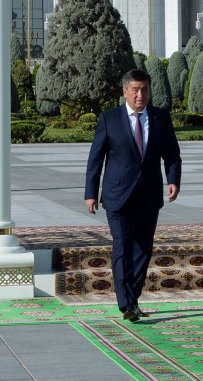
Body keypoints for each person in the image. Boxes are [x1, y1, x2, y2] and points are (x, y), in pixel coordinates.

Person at [84, 69, 182, 323]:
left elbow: (171, 153)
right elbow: (96, 159)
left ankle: (133, 299)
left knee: (143, 250)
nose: (141, 95)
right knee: (122, 247)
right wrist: (90, 193)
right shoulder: (109, 119)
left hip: (149, 195)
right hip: (117, 195)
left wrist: (173, 180)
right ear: (124, 91)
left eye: (145, 89)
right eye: (136, 90)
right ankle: (126, 303)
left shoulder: (161, 118)